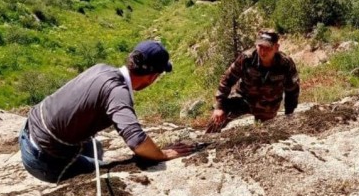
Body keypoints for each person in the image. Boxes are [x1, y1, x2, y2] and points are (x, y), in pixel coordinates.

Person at [19, 40, 194, 183]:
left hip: (30, 131)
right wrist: (161, 154)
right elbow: (137, 141)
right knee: (104, 170)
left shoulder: (101, 68)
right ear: (152, 77)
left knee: (96, 146)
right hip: (44, 158)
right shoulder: (117, 92)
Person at [207, 29, 300, 133]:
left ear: (276, 48)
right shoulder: (247, 58)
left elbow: (292, 90)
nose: (263, 51)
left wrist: (289, 115)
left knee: (264, 136)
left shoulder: (285, 64)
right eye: (260, 47)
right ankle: (205, 143)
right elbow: (227, 79)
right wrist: (219, 106)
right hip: (243, 99)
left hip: (268, 107)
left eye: (268, 48)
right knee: (216, 120)